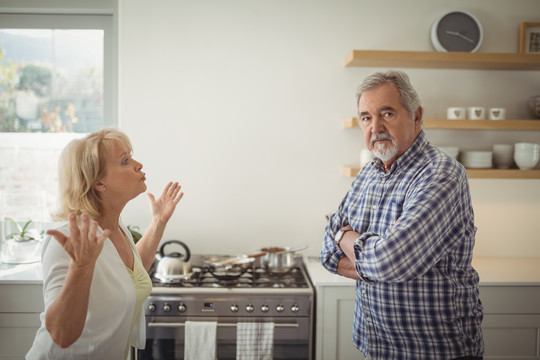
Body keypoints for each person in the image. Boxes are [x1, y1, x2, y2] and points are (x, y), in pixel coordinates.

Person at [320, 71, 484, 360]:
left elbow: (388, 262)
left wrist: (344, 235)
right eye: (366, 117)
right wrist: (371, 253)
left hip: (434, 351)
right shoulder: (369, 173)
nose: (376, 127)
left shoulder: (440, 174)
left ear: (416, 116)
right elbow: (328, 254)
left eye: (387, 113)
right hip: (376, 346)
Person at [26, 128, 183, 359]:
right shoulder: (69, 241)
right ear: (99, 183)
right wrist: (81, 267)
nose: (138, 165)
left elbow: (129, 274)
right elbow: (60, 335)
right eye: (125, 161)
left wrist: (158, 222)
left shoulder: (117, 229)